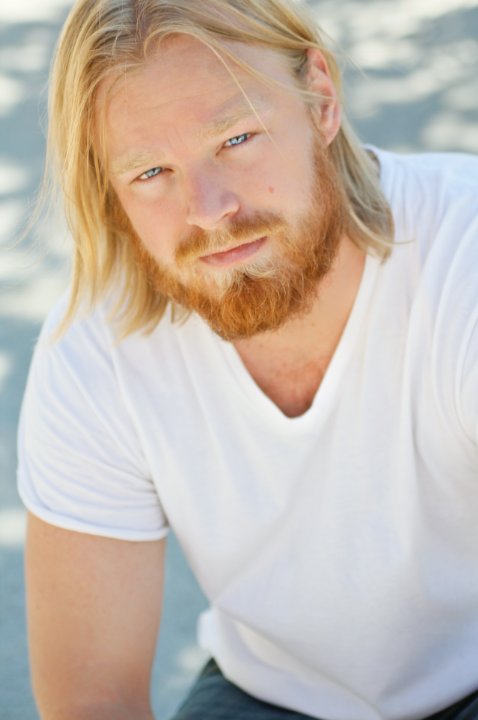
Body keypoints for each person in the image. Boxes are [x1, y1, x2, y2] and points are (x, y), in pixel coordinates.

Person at [17, 0, 478, 718]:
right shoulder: (96, 351)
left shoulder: (462, 258)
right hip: (270, 693)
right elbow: (93, 698)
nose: (207, 209)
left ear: (320, 98)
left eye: (235, 138)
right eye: (151, 171)